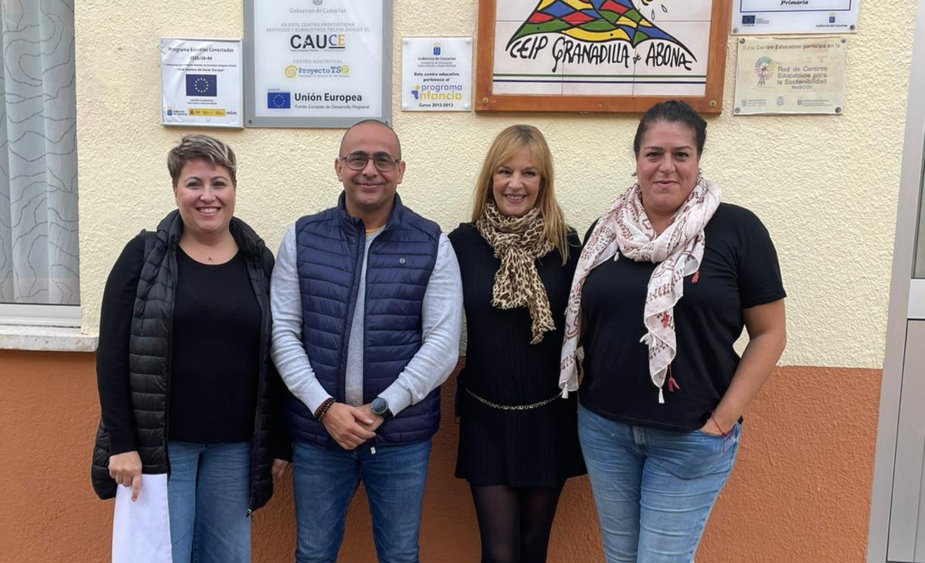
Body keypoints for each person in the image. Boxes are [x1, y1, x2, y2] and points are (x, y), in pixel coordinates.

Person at [559, 100, 788, 563]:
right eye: (653, 153)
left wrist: (721, 422)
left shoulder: (737, 230)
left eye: (680, 154)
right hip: (605, 431)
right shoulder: (606, 231)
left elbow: (769, 334)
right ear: (637, 159)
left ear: (698, 159)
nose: (666, 167)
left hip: (691, 436)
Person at [91, 134, 292, 563]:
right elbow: (111, 355)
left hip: (235, 449)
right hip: (161, 448)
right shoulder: (143, 256)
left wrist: (278, 441)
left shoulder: (260, 261)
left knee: (228, 557)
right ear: (175, 190)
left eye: (218, 183)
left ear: (233, 189)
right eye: (194, 184)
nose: (208, 196)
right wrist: (122, 443)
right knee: (163, 556)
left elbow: (275, 356)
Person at [271, 119, 463, 563]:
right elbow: (283, 332)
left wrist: (381, 409)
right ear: (339, 167)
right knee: (313, 554)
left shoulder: (431, 242)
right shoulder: (303, 237)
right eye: (357, 158)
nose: (369, 170)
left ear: (401, 169)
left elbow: (442, 343)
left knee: (398, 555)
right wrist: (325, 409)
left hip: (399, 438)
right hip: (321, 436)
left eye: (382, 160)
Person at [449, 125, 585, 563]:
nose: (515, 183)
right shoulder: (461, 245)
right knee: (500, 554)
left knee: (533, 550)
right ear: (490, 178)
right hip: (485, 415)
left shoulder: (566, 245)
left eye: (529, 173)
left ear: (543, 182)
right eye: (505, 171)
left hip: (549, 416)